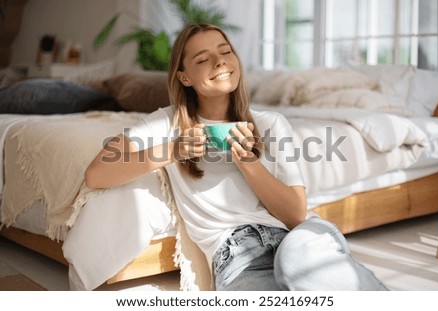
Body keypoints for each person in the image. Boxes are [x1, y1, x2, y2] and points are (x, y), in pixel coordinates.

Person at [85, 23, 387, 291]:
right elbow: (97, 174)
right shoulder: (167, 124)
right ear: (185, 77)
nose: (219, 61)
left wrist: (247, 162)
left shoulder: (270, 123)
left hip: (298, 238)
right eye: (202, 59)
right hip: (238, 258)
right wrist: (172, 151)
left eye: (225, 52)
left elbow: (295, 214)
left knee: (298, 262)